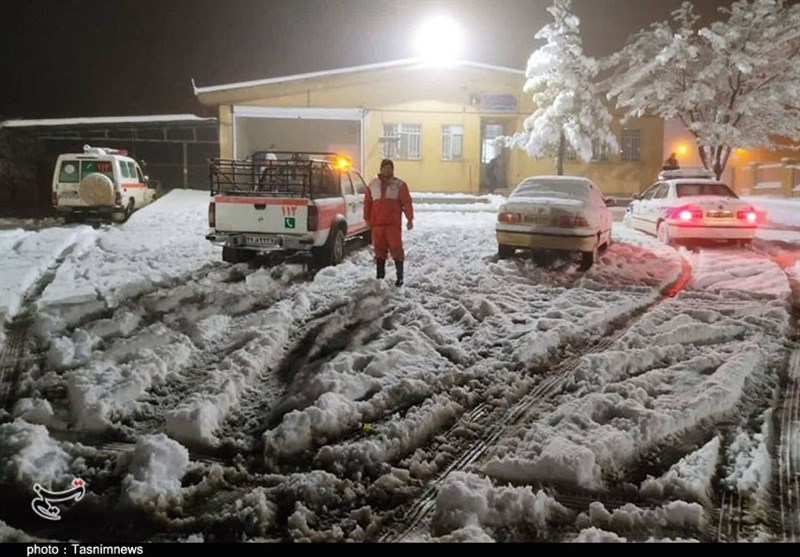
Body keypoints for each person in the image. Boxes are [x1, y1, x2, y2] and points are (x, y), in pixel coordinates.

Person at [364, 158, 414, 286]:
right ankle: (380, 278)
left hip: (393, 225)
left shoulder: (399, 185)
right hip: (377, 225)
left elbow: (407, 202)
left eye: (389, 167)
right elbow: (367, 203)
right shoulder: (373, 184)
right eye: (385, 167)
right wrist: (367, 219)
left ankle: (400, 277)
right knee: (379, 251)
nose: (387, 169)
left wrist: (410, 219)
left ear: (393, 169)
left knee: (396, 250)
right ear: (381, 169)